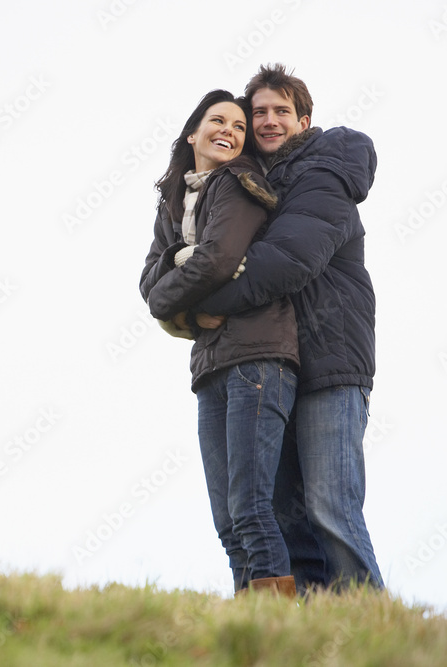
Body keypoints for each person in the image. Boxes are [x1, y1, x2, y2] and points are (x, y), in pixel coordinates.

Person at [191, 63, 384, 592]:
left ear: (304, 120)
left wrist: (199, 305)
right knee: (284, 513)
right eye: (259, 113)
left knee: (330, 505)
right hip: (278, 362)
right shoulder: (253, 183)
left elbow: (285, 262)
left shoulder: (324, 174)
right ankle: (309, 632)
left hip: (330, 363)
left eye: (281, 111)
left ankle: (372, 627)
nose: (269, 121)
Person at [139, 89, 300, 596]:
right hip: (209, 365)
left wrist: (174, 288)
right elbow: (148, 282)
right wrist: (175, 271)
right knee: (229, 519)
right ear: (193, 133)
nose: (229, 130)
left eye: (238, 124)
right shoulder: (174, 199)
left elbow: (218, 258)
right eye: (217, 120)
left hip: (258, 357)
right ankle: (249, 623)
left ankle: (279, 627)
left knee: (252, 508)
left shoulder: (238, 183)